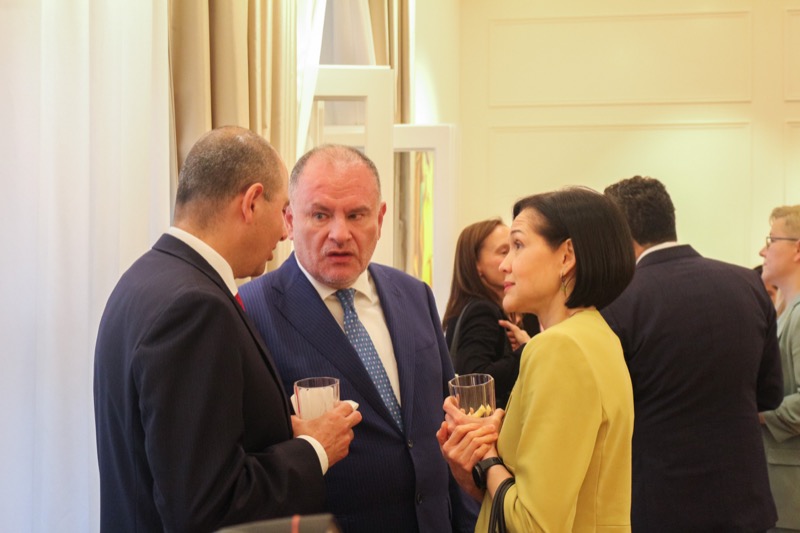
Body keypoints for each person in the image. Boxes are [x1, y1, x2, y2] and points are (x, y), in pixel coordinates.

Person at [94, 127, 361, 532]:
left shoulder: (142, 279)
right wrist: (315, 449)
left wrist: (278, 428)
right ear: (251, 202)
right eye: (282, 211)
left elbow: (177, 448)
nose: (285, 233)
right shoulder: (195, 308)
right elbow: (206, 507)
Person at [239, 144, 478, 533]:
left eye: (356, 215)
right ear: (289, 220)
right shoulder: (251, 311)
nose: (340, 234)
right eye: (320, 215)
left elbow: (450, 426)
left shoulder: (414, 294)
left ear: (379, 219)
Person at [438, 187, 636, 531]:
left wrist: (487, 455)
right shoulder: (597, 334)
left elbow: (533, 523)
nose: (505, 265)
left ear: (566, 256)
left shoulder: (559, 348)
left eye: (518, 245)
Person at [601, 176, 784, 533]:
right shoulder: (747, 283)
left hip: (660, 505)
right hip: (744, 501)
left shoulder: (618, 301)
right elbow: (770, 395)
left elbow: (610, 412)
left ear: (621, 235)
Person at [441, 218, 539, 408]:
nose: (511, 259)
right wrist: (528, 349)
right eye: (504, 251)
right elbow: (476, 380)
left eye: (516, 248)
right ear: (476, 264)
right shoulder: (482, 311)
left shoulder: (477, 307)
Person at [759, 205, 800, 532]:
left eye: (771, 240)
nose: (763, 251)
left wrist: (755, 413)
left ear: (797, 250)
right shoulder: (786, 310)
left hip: (791, 492)